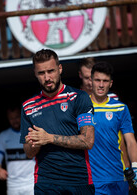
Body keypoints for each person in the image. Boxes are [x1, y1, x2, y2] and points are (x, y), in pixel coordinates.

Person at [20, 49, 95, 194]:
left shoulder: (78, 97)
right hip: (45, 182)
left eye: (51, 71)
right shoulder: (28, 106)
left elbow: (88, 141)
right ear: (35, 73)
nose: (47, 77)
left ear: (60, 69)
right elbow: (29, 153)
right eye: (41, 73)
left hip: (79, 180)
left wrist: (48, 138)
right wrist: (35, 143)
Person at [88, 61, 137, 194]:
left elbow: (130, 141)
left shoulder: (120, 108)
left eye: (105, 81)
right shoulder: (81, 108)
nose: (101, 85)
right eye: (98, 80)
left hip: (119, 178)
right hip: (94, 180)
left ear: (110, 83)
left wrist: (135, 167)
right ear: (91, 81)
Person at [0, 105, 35, 195]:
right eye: (11, 118)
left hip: (31, 183)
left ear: (22, 117)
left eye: (16, 117)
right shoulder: (3, 136)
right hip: (13, 185)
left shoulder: (32, 134)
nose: (14, 121)